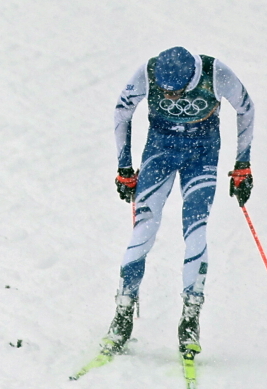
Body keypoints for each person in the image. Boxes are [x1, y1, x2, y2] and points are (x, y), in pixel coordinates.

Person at [102, 46, 253, 359]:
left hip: (202, 157)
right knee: (143, 229)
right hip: (160, 153)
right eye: (164, 93)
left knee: (195, 229)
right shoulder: (148, 70)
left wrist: (243, 165)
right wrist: (124, 167)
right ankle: (123, 312)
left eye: (178, 92)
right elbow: (122, 112)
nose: (170, 98)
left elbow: (246, 109)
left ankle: (190, 318)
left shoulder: (216, 72)